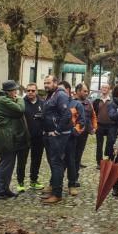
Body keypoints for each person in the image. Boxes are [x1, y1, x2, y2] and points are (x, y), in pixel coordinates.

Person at [0, 81, 27, 199]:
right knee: (5, 164)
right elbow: (20, 109)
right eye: (15, 90)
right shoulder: (3, 100)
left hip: (7, 135)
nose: (16, 92)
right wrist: (20, 99)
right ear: (9, 92)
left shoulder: (4, 99)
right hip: (5, 136)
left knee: (9, 164)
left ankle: (4, 188)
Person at [40, 76, 73, 204]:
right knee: (52, 163)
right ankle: (54, 189)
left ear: (55, 83)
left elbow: (67, 114)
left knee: (56, 163)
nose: (46, 85)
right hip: (49, 135)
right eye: (44, 83)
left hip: (58, 136)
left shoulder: (60, 95)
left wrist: (58, 130)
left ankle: (57, 194)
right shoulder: (50, 95)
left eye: (48, 83)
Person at [18, 83, 45, 192]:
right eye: (28, 90)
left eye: (33, 91)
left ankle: (33, 180)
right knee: (22, 160)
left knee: (36, 160)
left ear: (36, 91)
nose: (30, 92)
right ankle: (20, 182)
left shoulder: (42, 103)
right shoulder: (22, 103)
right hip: (25, 137)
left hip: (39, 137)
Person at [94, 83, 112, 166]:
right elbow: (94, 114)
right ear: (101, 89)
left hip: (110, 125)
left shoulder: (112, 101)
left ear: (109, 90)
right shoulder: (97, 101)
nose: (104, 89)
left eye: (106, 88)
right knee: (99, 144)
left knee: (110, 143)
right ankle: (99, 162)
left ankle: (109, 160)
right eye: (103, 87)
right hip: (100, 125)